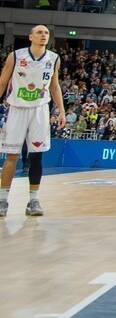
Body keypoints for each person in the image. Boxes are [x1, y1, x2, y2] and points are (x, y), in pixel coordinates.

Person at [0, 25, 66, 218]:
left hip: (40, 110)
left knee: (37, 156)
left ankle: (33, 200)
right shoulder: (16, 56)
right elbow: (3, 82)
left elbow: (54, 86)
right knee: (12, 156)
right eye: (39, 32)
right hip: (17, 108)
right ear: (30, 37)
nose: (43, 35)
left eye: (46, 33)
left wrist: (61, 110)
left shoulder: (54, 59)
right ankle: (3, 200)